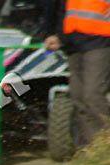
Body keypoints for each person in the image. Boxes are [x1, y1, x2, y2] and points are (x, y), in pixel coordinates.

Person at [44, 0, 110, 149]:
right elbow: (57, 7)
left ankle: (105, 146)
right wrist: (53, 34)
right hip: (73, 44)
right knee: (78, 97)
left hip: (101, 41)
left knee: (93, 95)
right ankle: (89, 147)